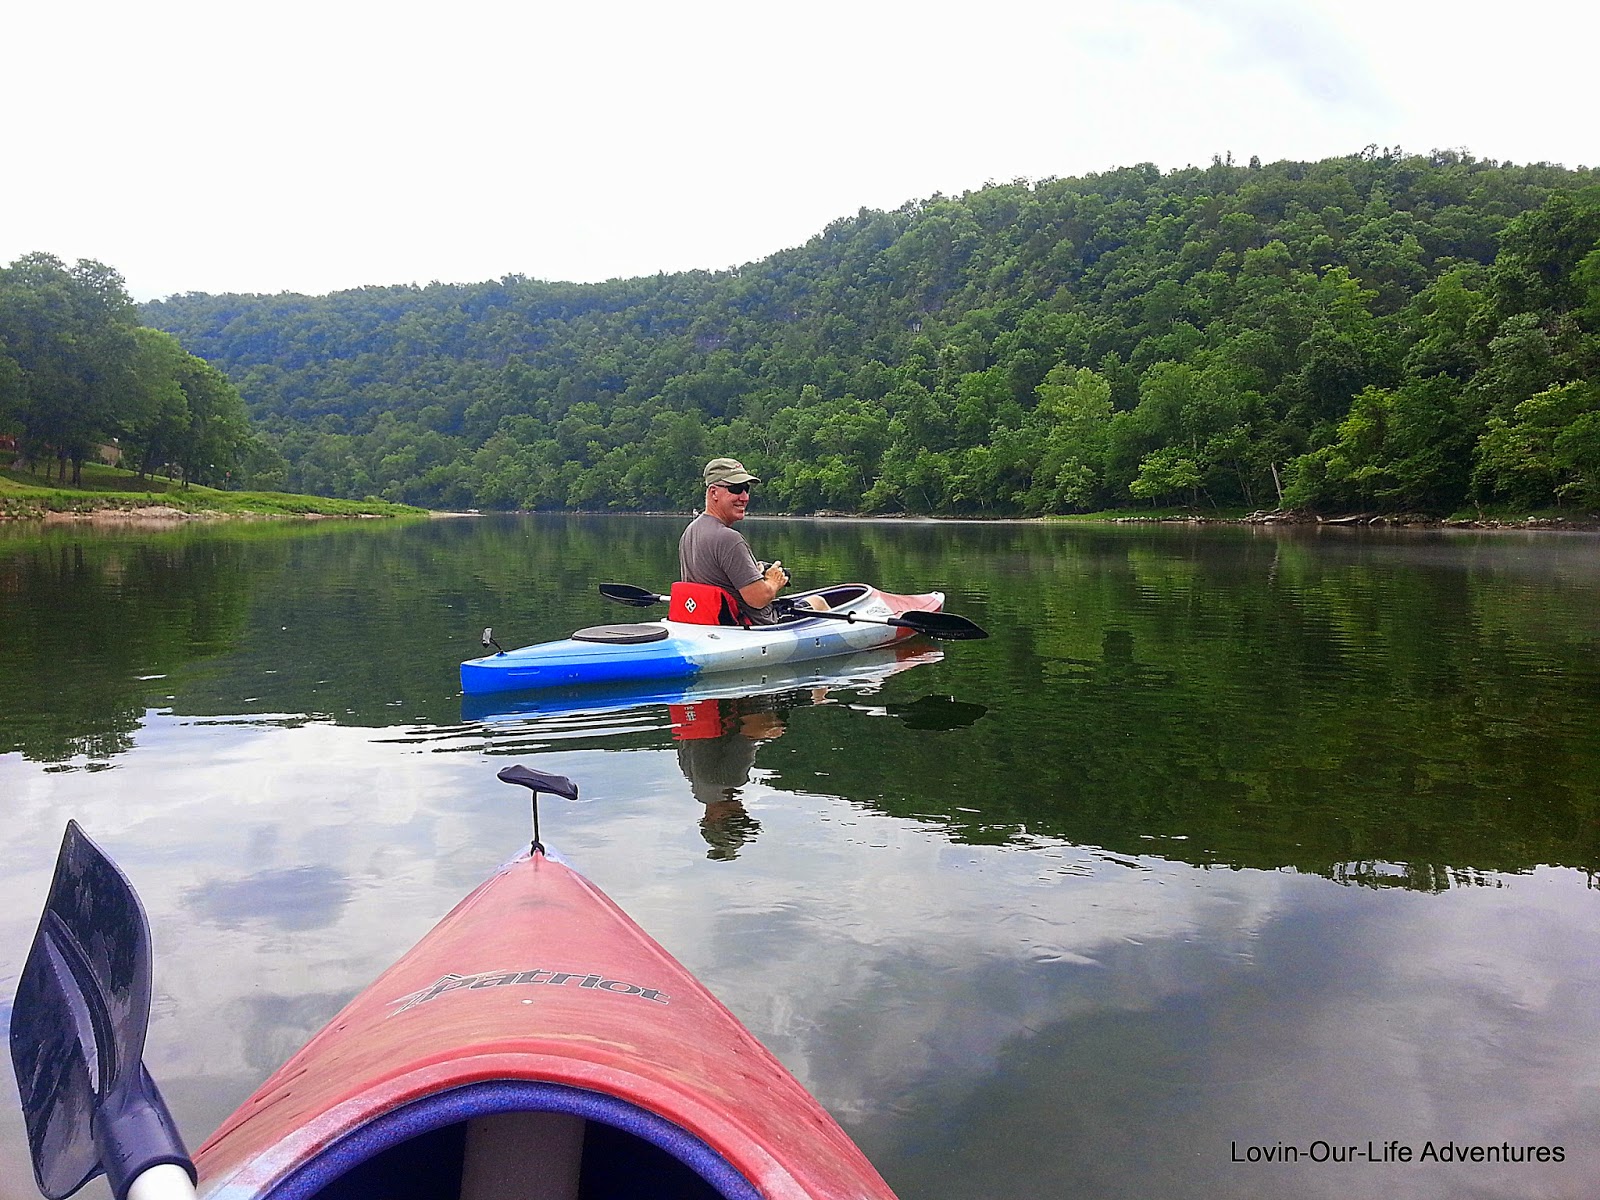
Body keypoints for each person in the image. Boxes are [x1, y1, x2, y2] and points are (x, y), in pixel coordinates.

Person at [679, 457, 821, 625]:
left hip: (709, 623)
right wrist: (774, 582)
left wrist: (758, 571)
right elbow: (758, 599)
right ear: (713, 492)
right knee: (818, 602)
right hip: (753, 626)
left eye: (746, 489)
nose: (744, 497)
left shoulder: (690, 532)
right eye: (736, 489)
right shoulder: (729, 539)